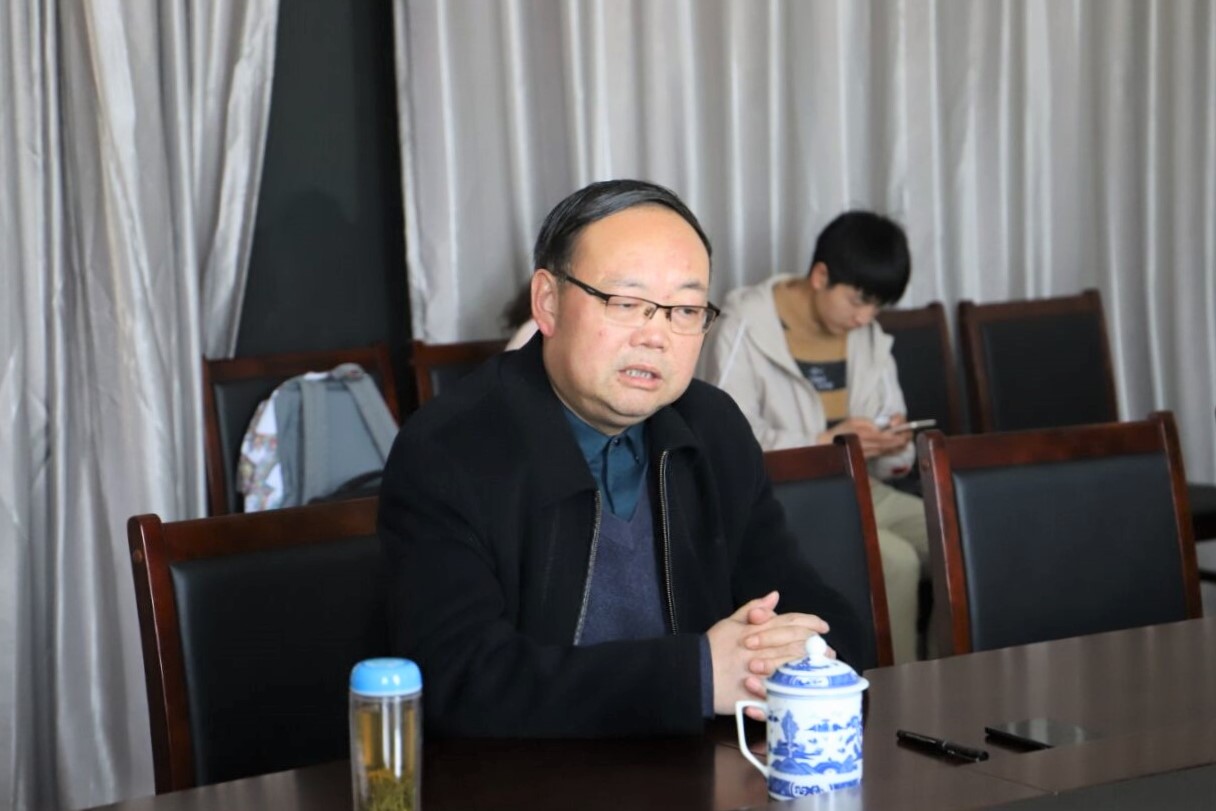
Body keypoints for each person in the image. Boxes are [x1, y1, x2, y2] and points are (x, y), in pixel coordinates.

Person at [380, 179, 862, 738]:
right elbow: (458, 678)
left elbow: (812, 608)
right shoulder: (448, 448)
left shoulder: (713, 427)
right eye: (627, 303)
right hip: (524, 776)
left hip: (705, 767)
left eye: (685, 310)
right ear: (548, 302)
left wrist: (800, 650)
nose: (656, 336)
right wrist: (698, 674)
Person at [697, 210, 930, 665]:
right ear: (821, 276)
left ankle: (951, 677)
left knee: (957, 537)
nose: (865, 317)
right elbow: (723, 442)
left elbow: (889, 455)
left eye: (877, 307)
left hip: (864, 488)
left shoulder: (868, 336)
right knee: (897, 562)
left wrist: (893, 444)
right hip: (783, 500)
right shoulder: (745, 326)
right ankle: (895, 690)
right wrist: (825, 441)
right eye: (859, 301)